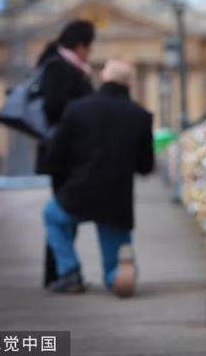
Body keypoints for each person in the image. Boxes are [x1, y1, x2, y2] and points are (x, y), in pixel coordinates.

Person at [43, 60, 154, 297]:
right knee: (114, 259)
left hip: (79, 191)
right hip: (117, 198)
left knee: (52, 216)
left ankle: (70, 271)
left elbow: (56, 154)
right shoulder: (141, 115)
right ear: (130, 84)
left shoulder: (77, 108)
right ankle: (117, 276)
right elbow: (146, 166)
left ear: (103, 78)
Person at [36, 20, 95, 287]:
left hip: (68, 153)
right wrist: (86, 109)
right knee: (61, 214)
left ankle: (62, 273)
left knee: (63, 214)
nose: (89, 54)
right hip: (62, 155)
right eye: (89, 47)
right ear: (81, 45)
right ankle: (59, 274)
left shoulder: (65, 65)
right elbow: (54, 106)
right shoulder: (59, 67)